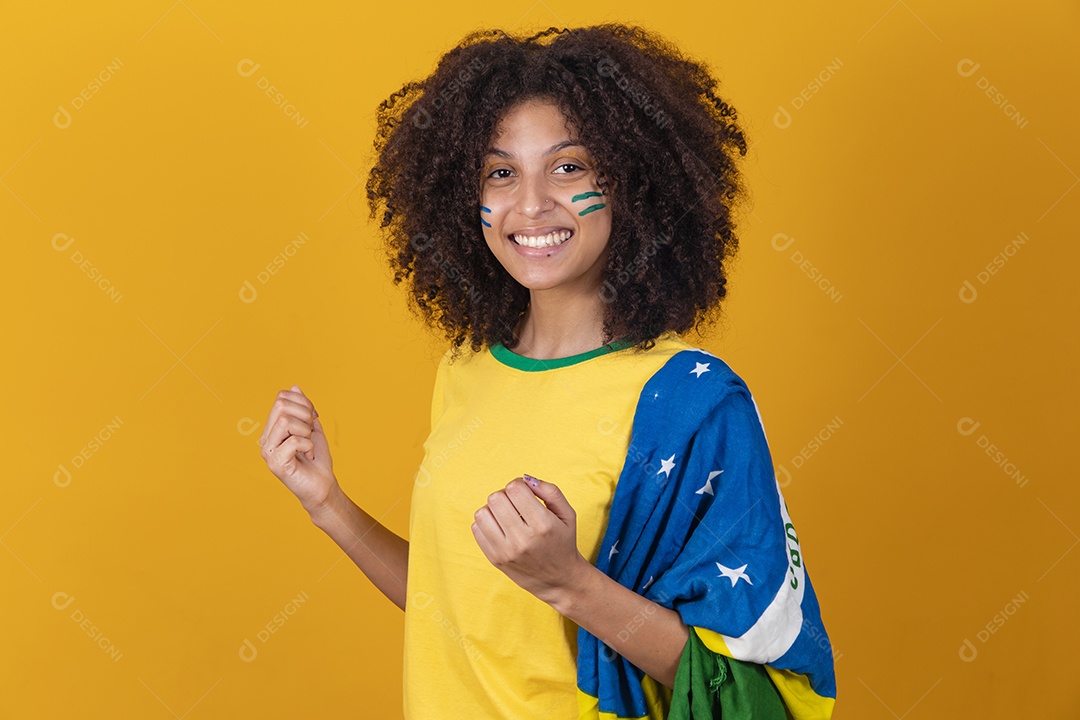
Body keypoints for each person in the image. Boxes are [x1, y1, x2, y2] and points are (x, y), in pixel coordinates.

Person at [259, 24, 836, 719]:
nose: (529, 205)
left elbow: (737, 687)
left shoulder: (690, 401)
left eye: (568, 168)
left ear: (632, 183)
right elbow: (458, 607)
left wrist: (570, 584)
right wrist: (329, 506)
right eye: (500, 173)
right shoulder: (466, 370)